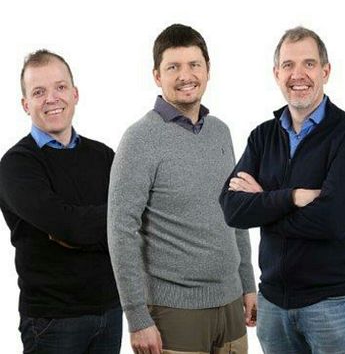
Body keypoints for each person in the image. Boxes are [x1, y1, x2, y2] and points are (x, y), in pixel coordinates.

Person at [220, 26, 345, 353]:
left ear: (326, 71)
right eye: (288, 65)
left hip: (334, 306)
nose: (298, 74)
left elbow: (332, 222)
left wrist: (263, 204)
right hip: (273, 306)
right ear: (276, 74)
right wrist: (292, 197)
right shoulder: (263, 137)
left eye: (309, 63)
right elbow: (231, 208)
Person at [107, 24, 256, 354]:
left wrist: (248, 283)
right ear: (157, 76)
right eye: (173, 67)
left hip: (231, 304)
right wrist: (137, 317)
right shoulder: (140, 139)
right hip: (174, 313)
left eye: (194, 65)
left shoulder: (221, 132)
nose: (185, 75)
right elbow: (121, 231)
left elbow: (237, 212)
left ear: (208, 70)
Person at [0, 50, 122, 353]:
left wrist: (79, 228)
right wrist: (97, 227)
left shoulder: (104, 156)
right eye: (38, 92)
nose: (52, 98)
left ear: (75, 93)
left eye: (60, 87)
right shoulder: (16, 165)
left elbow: (135, 221)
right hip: (53, 322)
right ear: (25, 104)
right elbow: (71, 227)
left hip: (111, 311)